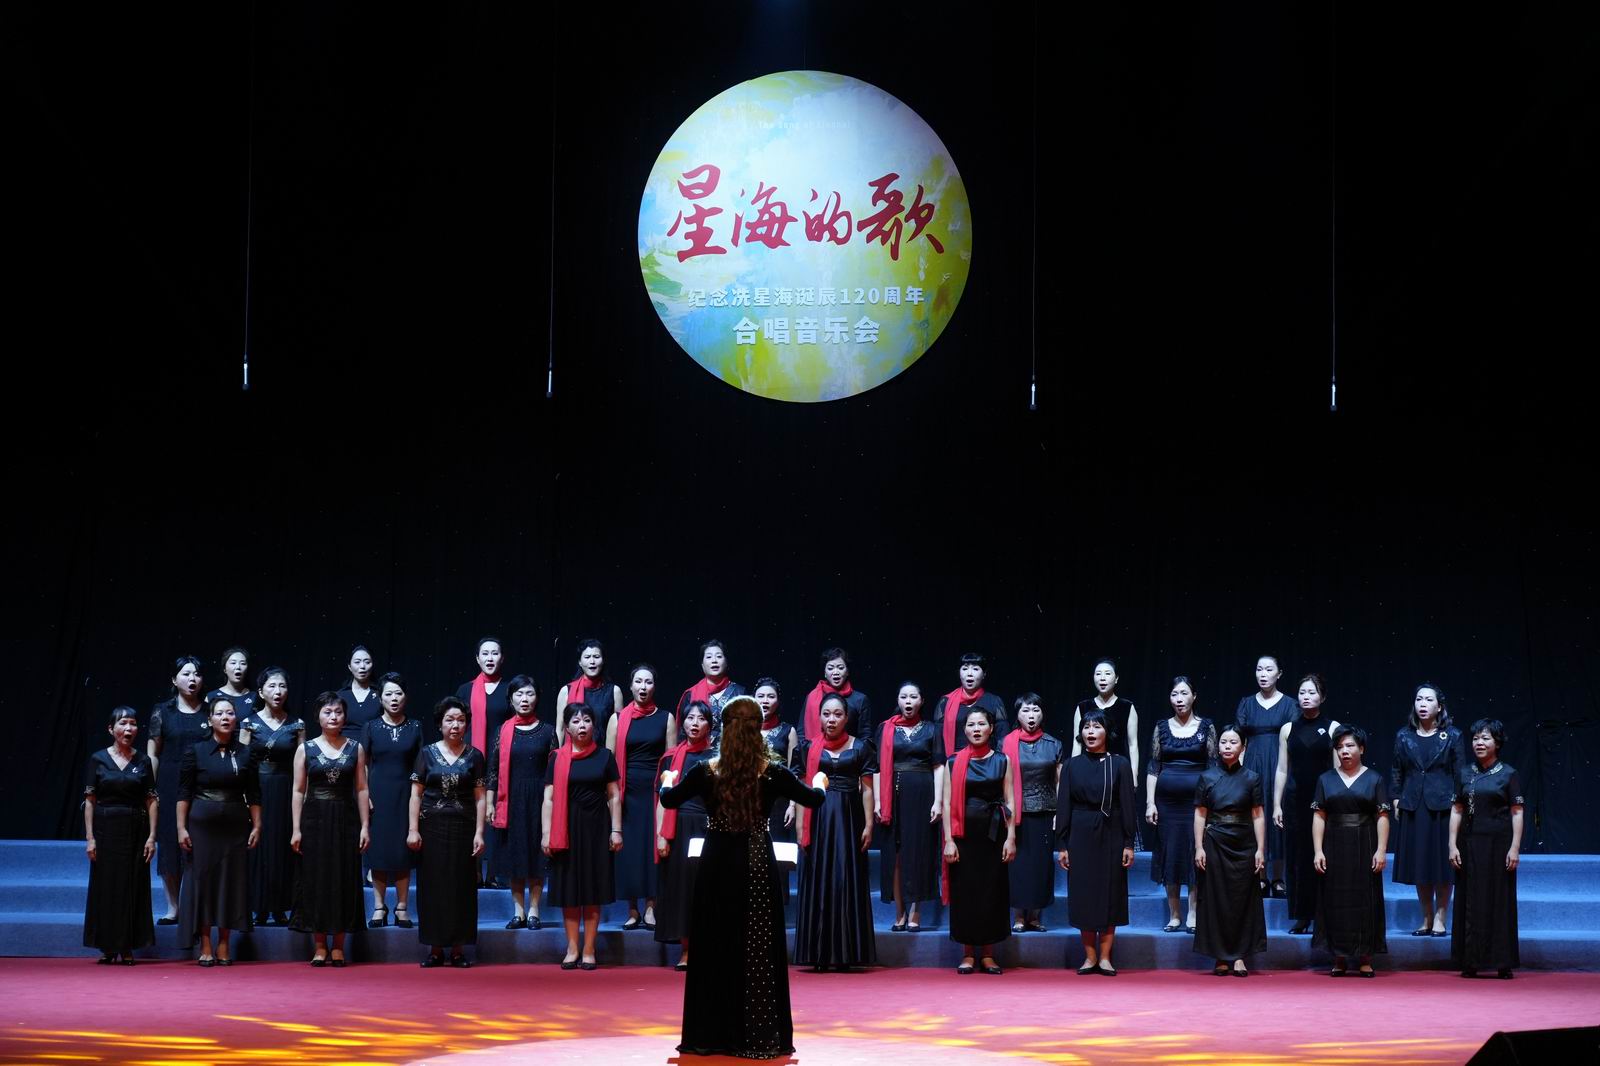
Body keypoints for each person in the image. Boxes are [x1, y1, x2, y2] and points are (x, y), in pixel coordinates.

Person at [658, 695, 825, 1059]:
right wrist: (822, 781)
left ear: (724, 729)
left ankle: (710, 1035)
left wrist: (667, 781)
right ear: (759, 729)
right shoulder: (773, 772)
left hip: (716, 864)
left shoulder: (705, 771)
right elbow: (814, 799)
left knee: (714, 943)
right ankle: (758, 1037)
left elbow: (669, 801)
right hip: (756, 865)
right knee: (757, 947)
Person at [792, 693, 877, 971]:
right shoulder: (807, 748)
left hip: (850, 818)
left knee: (845, 879)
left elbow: (867, 789)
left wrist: (869, 824)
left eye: (837, 714)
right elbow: (801, 789)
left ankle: (846, 953)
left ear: (846, 718)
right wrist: (800, 826)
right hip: (817, 818)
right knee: (819, 879)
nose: (831, 719)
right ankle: (819, 953)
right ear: (819, 717)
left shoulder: (861, 747)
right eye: (826, 714)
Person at [176, 697, 261, 966]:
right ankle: (205, 943)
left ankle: (224, 942)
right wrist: (181, 827)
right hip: (202, 826)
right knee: (203, 882)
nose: (225, 717)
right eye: (220, 713)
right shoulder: (195, 751)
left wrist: (257, 825)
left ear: (236, 719)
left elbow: (254, 793)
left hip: (235, 825)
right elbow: (184, 793)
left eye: (230, 713)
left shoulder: (247, 752)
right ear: (210, 719)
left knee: (230, 882)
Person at [290, 693, 369, 966]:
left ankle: (339, 945)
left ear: (344, 716)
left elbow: (362, 789)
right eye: (327, 712)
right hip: (314, 820)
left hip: (346, 820)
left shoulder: (356, 748)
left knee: (343, 879)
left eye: (338, 712)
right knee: (317, 880)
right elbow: (298, 790)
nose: (333, 716)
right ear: (318, 716)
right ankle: (320, 945)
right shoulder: (306, 749)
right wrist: (296, 828)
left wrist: (365, 826)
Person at [1056, 709, 1135, 976]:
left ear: (1107, 732)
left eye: (1096, 727)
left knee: (1111, 894)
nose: (1091, 732)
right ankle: (1089, 957)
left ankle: (1105, 957)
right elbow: (1064, 806)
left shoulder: (1119, 764)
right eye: (1086, 727)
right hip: (1080, 834)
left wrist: (1128, 842)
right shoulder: (1071, 765)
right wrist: (1063, 844)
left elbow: (1128, 805)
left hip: (1111, 832)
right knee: (1084, 894)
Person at [542, 703, 622, 970]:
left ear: (593, 725)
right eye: (576, 721)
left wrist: (616, 830)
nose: (582, 725)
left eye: (586, 720)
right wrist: (546, 834)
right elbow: (549, 798)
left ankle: (589, 948)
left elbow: (614, 796)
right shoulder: (556, 757)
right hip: (565, 829)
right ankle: (572, 947)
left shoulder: (604, 756)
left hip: (596, 828)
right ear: (567, 728)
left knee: (592, 889)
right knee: (569, 891)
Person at [408, 697, 486, 968]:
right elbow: (416, 795)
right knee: (433, 887)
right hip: (431, 829)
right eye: (450, 720)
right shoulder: (426, 754)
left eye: (461, 720)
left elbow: (480, 797)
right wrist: (413, 829)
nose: (455, 725)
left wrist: (480, 832)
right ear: (440, 724)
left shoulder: (475, 756)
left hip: (464, 829)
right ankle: (435, 949)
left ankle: (458, 950)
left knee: (461, 888)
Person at [1311, 725, 1390, 977]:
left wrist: (1381, 850)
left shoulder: (1375, 779)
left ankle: (1365, 956)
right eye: (1340, 747)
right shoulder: (1325, 779)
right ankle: (1339, 956)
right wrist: (1318, 850)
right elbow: (1319, 816)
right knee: (1335, 900)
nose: (1344, 751)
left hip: (1364, 843)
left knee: (1365, 899)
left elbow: (1382, 816)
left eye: (1350, 746)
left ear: (1361, 749)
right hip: (1334, 844)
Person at [942, 704, 1016, 974]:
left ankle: (987, 954)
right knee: (966, 893)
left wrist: (1011, 838)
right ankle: (967, 953)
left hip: (994, 835)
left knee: (992, 891)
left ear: (991, 728)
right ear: (964, 730)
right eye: (971, 725)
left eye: (981, 724)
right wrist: (949, 840)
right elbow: (947, 803)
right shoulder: (953, 761)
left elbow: (1010, 800)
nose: (976, 729)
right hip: (963, 836)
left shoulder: (1003, 760)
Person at [82, 707, 158, 964]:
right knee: (107, 886)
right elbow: (90, 800)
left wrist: (152, 837)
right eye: (123, 723)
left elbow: (151, 800)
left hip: (136, 830)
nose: (128, 729)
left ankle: (127, 947)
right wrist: (90, 838)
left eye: (133, 723)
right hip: (105, 830)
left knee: (132, 886)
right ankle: (108, 946)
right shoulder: (98, 759)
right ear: (111, 729)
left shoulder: (143, 761)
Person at [1450, 718, 1523, 979]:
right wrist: (1452, 845)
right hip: (1469, 844)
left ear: (1497, 743)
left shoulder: (1508, 774)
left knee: (1499, 900)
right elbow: (1457, 809)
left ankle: (1502, 961)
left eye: (1485, 738)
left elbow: (1517, 812)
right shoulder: (1464, 773)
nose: (1479, 743)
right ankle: (1470, 960)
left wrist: (1514, 848)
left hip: (1498, 845)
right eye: (1476, 738)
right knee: (1470, 900)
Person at [1192, 723, 1267, 976]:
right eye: (1223, 742)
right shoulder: (1207, 777)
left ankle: (1239, 956)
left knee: (1242, 900)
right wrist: (1199, 847)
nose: (1227, 746)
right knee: (1216, 899)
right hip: (1215, 841)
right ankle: (1221, 956)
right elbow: (1200, 814)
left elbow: (1258, 815)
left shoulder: (1252, 778)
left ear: (1243, 747)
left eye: (1233, 742)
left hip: (1244, 843)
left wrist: (1260, 849)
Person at [1146, 677, 1216, 932]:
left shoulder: (1206, 727)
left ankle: (1193, 913)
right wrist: (1150, 803)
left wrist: (1211, 803)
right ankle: (1174, 913)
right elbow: (1153, 766)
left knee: (1194, 852)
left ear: (1194, 696)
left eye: (1184, 693)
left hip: (1197, 803)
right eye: (1174, 694)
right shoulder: (1161, 727)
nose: (1179, 699)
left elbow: (1213, 766)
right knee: (1171, 853)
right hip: (1167, 804)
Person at [1392, 684, 1462, 937]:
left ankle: (1441, 917)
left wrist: (1458, 803)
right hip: (1413, 804)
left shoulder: (1452, 735)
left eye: (1428, 699)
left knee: (1442, 865)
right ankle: (1426, 918)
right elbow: (1397, 769)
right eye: (1419, 699)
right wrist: (1396, 798)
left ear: (1439, 706)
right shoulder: (1404, 736)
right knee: (1420, 864)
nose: (1422, 703)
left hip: (1442, 806)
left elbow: (1459, 773)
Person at [487, 674, 556, 930]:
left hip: (539, 800)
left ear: (537, 698)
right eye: (519, 694)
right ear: (511, 699)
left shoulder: (548, 731)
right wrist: (490, 803)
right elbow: (493, 770)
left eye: (529, 693)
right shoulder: (502, 731)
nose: (524, 699)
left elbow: (554, 771)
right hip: (511, 800)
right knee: (514, 856)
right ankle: (518, 912)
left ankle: (535, 910)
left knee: (536, 857)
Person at [1274, 674, 1340, 934]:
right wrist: (1277, 804)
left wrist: (1335, 803)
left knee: (1323, 856)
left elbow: (1338, 771)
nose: (1306, 697)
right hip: (1295, 801)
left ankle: (1323, 914)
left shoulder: (1333, 728)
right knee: (1298, 858)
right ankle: (1301, 916)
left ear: (1322, 697)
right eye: (1302, 692)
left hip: (1324, 801)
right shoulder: (1287, 729)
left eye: (1312, 692)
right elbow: (1282, 769)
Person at [610, 663, 674, 931]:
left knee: (652, 848)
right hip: (627, 793)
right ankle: (632, 909)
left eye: (648, 682)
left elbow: (672, 761)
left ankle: (651, 907)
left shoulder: (666, 718)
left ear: (654, 686)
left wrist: (666, 792)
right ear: (631, 686)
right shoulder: (617, 719)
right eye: (638, 682)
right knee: (630, 852)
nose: (643, 687)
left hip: (655, 791)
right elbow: (610, 762)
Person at [148, 655, 211, 923]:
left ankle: (196, 905)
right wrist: (150, 789)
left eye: (196, 674)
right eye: (186, 674)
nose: (192, 679)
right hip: (169, 782)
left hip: (203, 782)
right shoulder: (162, 711)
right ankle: (173, 907)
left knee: (199, 843)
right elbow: (153, 753)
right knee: (170, 843)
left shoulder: (210, 710)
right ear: (174, 680)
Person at [876, 681, 942, 932]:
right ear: (898, 700)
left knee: (918, 852)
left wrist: (938, 801)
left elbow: (939, 766)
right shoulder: (886, 728)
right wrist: (879, 801)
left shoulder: (931, 729)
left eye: (913, 697)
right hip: (892, 796)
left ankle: (915, 912)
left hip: (922, 794)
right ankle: (899, 912)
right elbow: (878, 767)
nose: (908, 701)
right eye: (904, 696)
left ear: (921, 701)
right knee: (896, 855)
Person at [240, 666, 304, 925]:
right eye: (272, 686)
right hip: (257, 788)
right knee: (259, 846)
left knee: (282, 845)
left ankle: (280, 907)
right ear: (261, 692)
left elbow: (303, 764)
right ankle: (258, 906)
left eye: (282, 686)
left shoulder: (297, 724)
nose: (278, 691)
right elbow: (242, 763)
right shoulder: (249, 723)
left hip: (286, 789)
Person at [654, 702, 714, 967]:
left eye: (701, 718)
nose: (695, 723)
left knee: (707, 889)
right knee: (683, 891)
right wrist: (661, 835)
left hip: (709, 827)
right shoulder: (670, 758)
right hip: (678, 828)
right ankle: (687, 950)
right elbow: (662, 800)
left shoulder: (717, 757)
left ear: (709, 725)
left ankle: (708, 949)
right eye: (690, 718)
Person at [361, 672, 422, 928]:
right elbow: (363, 764)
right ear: (380, 698)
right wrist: (365, 795)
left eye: (398, 693)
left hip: (406, 795)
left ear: (405, 697)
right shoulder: (371, 727)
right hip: (377, 794)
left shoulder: (415, 726)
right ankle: (379, 907)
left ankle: (402, 907)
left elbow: (420, 764)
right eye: (389, 694)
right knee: (378, 852)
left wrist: (417, 796)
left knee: (402, 852)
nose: (394, 698)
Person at [1235, 655, 1297, 896]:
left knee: (1278, 817)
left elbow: (1294, 739)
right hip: (1253, 764)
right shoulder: (1247, 703)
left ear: (1279, 674)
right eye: (1259, 669)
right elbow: (1238, 739)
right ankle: (1260, 876)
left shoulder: (1290, 705)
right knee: (1255, 814)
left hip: (1280, 764)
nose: (1263, 674)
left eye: (1269, 669)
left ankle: (1279, 878)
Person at [1005, 693, 1062, 932]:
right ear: (1018, 714)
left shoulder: (1053, 744)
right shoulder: (1007, 743)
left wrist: (1060, 812)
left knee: (1041, 866)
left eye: (1035, 710)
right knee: (1017, 866)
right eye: (1026, 710)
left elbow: (1059, 782)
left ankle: (1035, 916)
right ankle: (1019, 916)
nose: (1031, 715)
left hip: (1045, 811)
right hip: (1015, 813)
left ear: (1042, 714)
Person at [456, 636, 509, 886]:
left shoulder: (509, 690)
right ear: (477, 659)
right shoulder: (465, 690)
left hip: (501, 762)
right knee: (472, 815)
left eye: (494, 653)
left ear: (502, 658)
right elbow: (455, 724)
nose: (490, 658)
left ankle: (495, 872)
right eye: (485, 654)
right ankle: (474, 870)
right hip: (471, 761)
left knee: (496, 816)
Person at [1071, 658, 1140, 787]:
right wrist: (1074, 772)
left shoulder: (1127, 707)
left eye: (1107, 673)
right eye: (1098, 674)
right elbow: (1077, 742)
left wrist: (1133, 774)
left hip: (1117, 769)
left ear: (1116, 679)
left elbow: (1133, 745)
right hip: (1088, 768)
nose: (1102, 678)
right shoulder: (1083, 707)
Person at [935, 652, 1009, 756]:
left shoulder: (994, 701)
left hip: (987, 759)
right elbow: (938, 740)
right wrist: (940, 764)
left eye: (975, 669)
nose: (969, 673)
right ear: (959, 673)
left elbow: (1003, 738)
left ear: (984, 674)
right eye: (965, 669)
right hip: (954, 759)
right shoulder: (945, 701)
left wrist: (998, 762)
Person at [675, 638, 745, 744]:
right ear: (702, 665)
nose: (714, 660)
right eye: (709, 657)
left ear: (726, 662)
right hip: (698, 752)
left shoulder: (740, 693)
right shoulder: (690, 694)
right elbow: (682, 732)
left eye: (719, 656)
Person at [556, 638, 625, 740]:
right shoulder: (566, 691)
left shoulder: (614, 691)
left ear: (603, 660)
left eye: (596, 657)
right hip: (573, 749)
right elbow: (560, 729)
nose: (592, 661)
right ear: (580, 662)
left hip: (603, 749)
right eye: (587, 657)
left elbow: (619, 729)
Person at [802, 647, 873, 740]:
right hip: (815, 749)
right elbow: (801, 733)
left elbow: (865, 737)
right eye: (830, 668)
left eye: (840, 668)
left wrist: (854, 749)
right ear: (825, 672)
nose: (835, 672)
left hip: (850, 749)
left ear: (847, 671)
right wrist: (808, 748)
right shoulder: (811, 697)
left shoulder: (860, 700)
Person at [336, 646, 382, 740]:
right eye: (357, 662)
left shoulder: (381, 694)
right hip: (344, 746)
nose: (362, 666)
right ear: (349, 667)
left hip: (374, 746)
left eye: (367, 662)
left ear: (372, 665)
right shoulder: (339, 696)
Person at [205, 647, 256, 724]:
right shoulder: (211, 696)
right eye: (233, 663)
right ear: (224, 669)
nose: (238, 667)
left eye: (243, 663)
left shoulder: (255, 697)